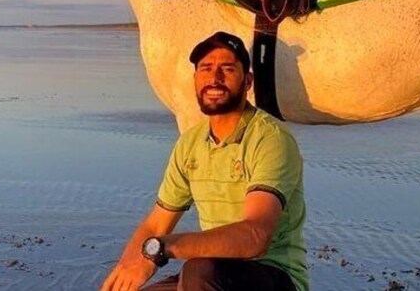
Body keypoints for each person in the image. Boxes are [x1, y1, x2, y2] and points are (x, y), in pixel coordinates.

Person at [101, 31, 308, 291]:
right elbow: (156, 223)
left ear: (247, 81)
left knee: (199, 271)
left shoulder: (269, 138)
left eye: (227, 69)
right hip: (214, 275)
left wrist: (164, 247)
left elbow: (255, 236)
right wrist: (126, 270)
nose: (215, 78)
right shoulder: (191, 143)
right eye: (206, 69)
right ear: (195, 80)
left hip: (273, 276)